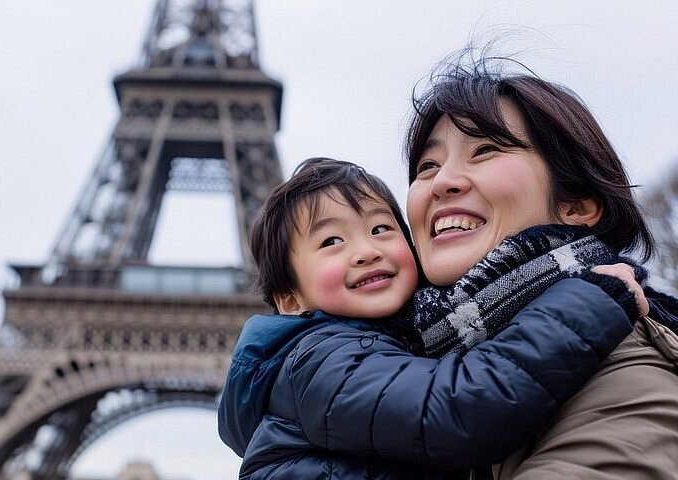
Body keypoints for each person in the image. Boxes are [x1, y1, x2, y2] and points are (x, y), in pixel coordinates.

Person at [218, 157, 646, 479]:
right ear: (290, 300)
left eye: (382, 229)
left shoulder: (411, 340)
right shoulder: (320, 362)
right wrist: (588, 304)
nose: (367, 250)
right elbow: (459, 407)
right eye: (331, 240)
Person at [403, 50, 678, 478]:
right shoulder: (414, 375)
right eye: (427, 166)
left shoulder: (626, 363)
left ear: (576, 205)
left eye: (485, 150)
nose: (441, 182)